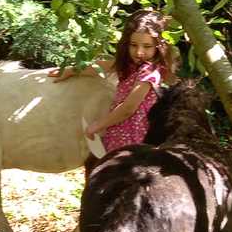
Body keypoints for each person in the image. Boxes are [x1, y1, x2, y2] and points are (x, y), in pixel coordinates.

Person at [50, 10, 175, 152]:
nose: (139, 52)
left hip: (134, 136)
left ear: (159, 46)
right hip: (120, 130)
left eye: (147, 46)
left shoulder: (150, 73)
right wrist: (71, 71)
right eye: (133, 45)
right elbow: (101, 66)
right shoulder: (130, 64)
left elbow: (128, 108)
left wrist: (98, 126)